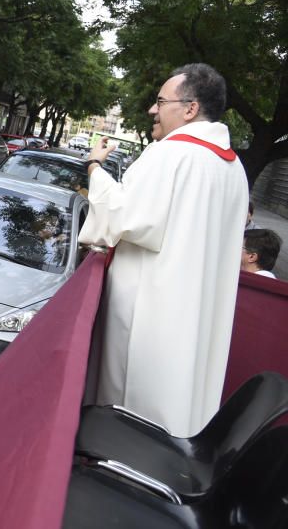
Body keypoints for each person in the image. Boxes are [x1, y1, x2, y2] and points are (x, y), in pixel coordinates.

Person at [78, 63, 249, 437]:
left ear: (189, 109)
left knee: (129, 422)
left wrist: (94, 167)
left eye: (160, 101)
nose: (152, 110)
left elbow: (124, 219)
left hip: (153, 318)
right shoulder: (234, 168)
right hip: (197, 317)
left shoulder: (171, 154)